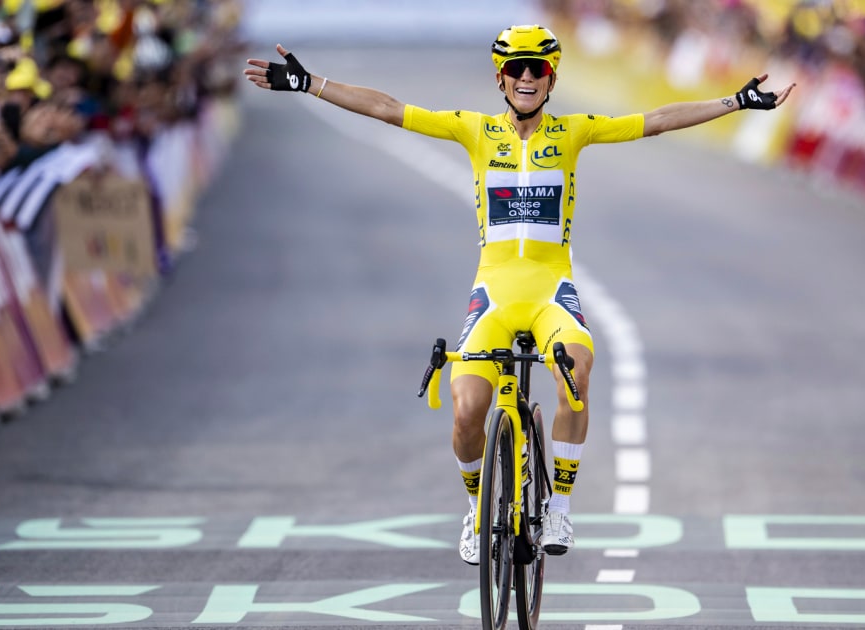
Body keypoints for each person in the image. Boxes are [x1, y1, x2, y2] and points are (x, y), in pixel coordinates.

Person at [245, 25, 794, 565]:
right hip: (494, 292)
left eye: (538, 69)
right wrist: (310, 83)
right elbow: (390, 108)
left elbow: (656, 121)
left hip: (551, 289)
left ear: (551, 78)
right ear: (501, 78)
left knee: (576, 372)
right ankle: (473, 508)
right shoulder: (475, 130)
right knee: (466, 412)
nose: (527, 77)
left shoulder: (574, 131)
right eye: (516, 69)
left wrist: (735, 101)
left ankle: (560, 506)